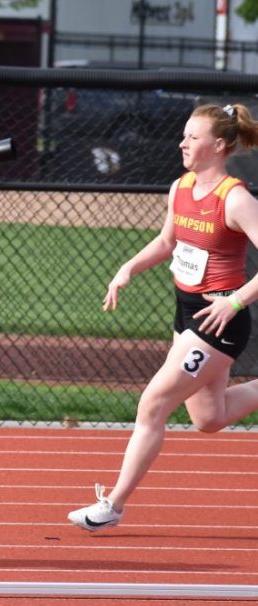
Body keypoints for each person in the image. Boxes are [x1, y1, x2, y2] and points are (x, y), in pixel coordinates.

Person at [68, 103, 258, 531]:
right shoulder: (180, 188)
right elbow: (167, 240)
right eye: (184, 135)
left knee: (152, 405)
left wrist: (235, 302)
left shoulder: (236, 198)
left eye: (193, 136)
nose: (182, 142)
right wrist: (127, 268)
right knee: (209, 419)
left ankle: (112, 506)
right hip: (187, 312)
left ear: (220, 145)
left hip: (219, 319)